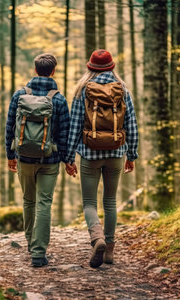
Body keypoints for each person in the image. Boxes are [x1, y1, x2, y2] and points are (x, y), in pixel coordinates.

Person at [65, 49, 139, 268]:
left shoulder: (82, 91)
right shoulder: (123, 90)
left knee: (89, 202)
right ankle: (109, 250)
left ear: (90, 68)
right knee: (110, 202)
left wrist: (68, 158)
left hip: (89, 153)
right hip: (116, 152)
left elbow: (74, 126)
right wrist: (131, 154)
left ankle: (96, 239)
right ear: (112, 67)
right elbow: (132, 125)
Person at [5, 53, 70, 267]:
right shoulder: (59, 99)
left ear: (35, 70)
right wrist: (67, 159)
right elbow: (64, 133)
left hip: (23, 157)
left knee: (28, 200)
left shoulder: (19, 95)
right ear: (53, 71)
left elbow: (10, 127)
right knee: (44, 203)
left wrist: (10, 155)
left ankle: (30, 244)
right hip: (49, 160)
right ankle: (39, 253)